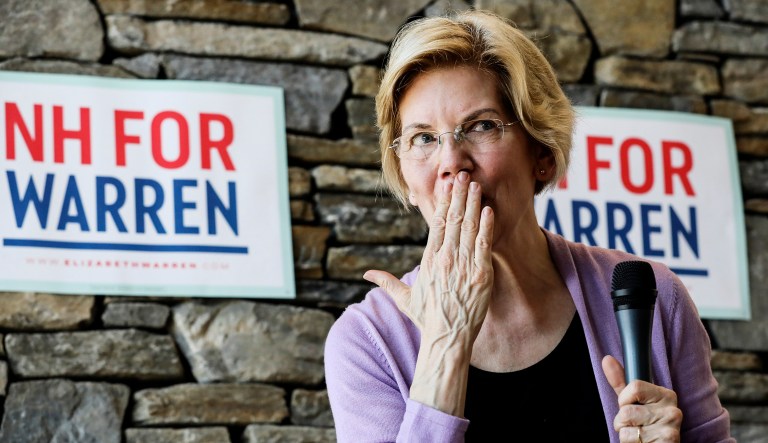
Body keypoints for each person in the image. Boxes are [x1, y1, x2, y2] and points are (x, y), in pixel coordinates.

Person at [324, 9, 733, 443]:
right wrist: (446, 343)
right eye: (423, 138)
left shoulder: (652, 297)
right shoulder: (366, 342)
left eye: (481, 126)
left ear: (542, 153)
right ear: (404, 176)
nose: (451, 163)